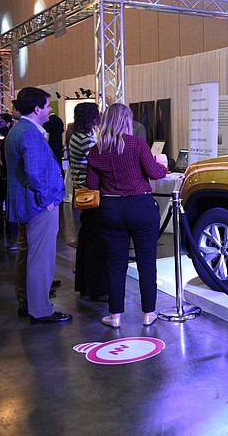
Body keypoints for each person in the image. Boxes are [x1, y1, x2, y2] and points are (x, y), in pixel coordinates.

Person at [87, 103, 168, 328]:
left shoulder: (96, 150)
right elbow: (154, 173)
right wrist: (163, 165)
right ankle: (149, 314)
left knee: (115, 264)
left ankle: (115, 316)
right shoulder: (137, 143)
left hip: (112, 210)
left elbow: (91, 184)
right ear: (126, 121)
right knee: (146, 262)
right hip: (140, 207)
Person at [5, 87, 71, 324]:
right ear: (36, 109)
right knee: (40, 259)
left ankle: (27, 303)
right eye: (46, 106)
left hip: (26, 204)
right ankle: (41, 310)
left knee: (27, 255)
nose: (50, 110)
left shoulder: (18, 130)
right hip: (37, 205)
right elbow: (35, 173)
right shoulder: (30, 134)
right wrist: (48, 201)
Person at [68, 102, 107, 301]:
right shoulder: (86, 140)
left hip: (83, 193)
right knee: (95, 242)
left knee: (86, 239)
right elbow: (101, 162)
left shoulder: (76, 136)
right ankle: (97, 288)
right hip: (93, 194)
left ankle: (86, 285)